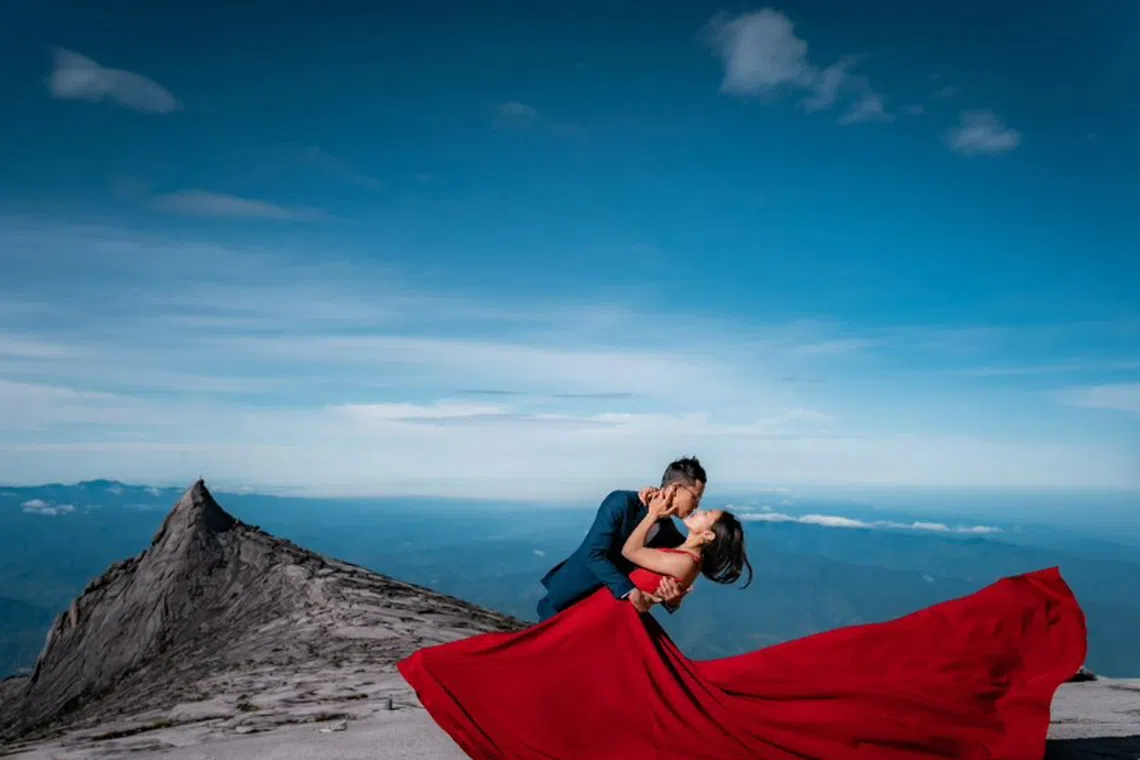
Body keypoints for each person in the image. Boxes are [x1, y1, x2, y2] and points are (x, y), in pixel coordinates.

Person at [397, 487, 1087, 760]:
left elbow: (633, 554)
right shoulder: (682, 554)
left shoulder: (682, 554)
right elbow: (647, 578)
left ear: (709, 535)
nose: (700, 515)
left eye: (707, 519)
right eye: (701, 514)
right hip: (611, 629)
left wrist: (649, 514)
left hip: (614, 635)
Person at [536, 455, 709, 621]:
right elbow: (593, 554)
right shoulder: (622, 502)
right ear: (675, 489)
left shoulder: (669, 534)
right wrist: (630, 591)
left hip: (605, 615)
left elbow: (676, 575)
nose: (697, 505)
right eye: (695, 497)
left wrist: (673, 601)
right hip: (568, 598)